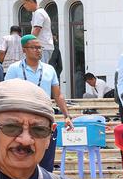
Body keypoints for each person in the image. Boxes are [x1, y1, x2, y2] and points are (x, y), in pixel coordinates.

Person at [6, 35, 73, 171]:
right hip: (22, 120)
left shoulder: (49, 69)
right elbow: (7, 91)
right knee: (24, 160)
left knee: (46, 162)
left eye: (40, 47)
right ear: (24, 50)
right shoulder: (14, 69)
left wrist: (67, 115)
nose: (38, 51)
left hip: (44, 119)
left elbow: (58, 94)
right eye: (34, 47)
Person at [20, 0, 55, 65]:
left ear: (30, 1)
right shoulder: (37, 12)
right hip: (43, 47)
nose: (24, 6)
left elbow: (37, 29)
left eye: (24, 3)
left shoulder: (39, 13)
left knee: (39, 69)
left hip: (42, 47)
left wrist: (28, 42)